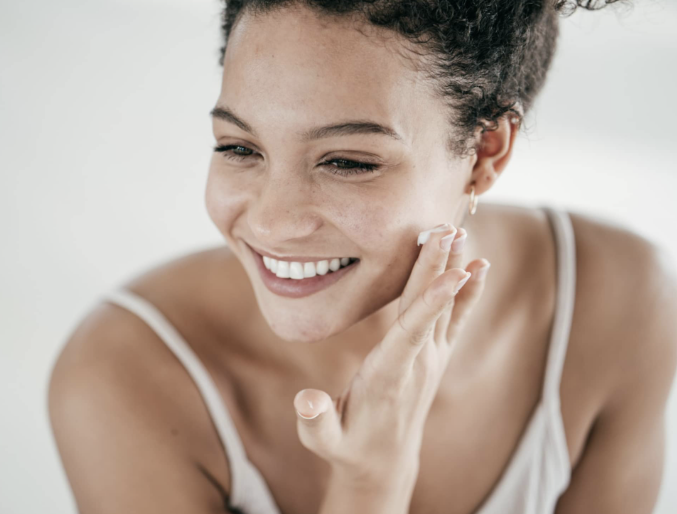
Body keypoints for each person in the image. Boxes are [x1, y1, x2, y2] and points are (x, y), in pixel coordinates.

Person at [48, 1, 677, 513]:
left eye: (348, 161)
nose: (271, 221)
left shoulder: (620, 305)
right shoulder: (128, 376)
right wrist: (371, 481)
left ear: (485, 152)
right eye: (239, 148)